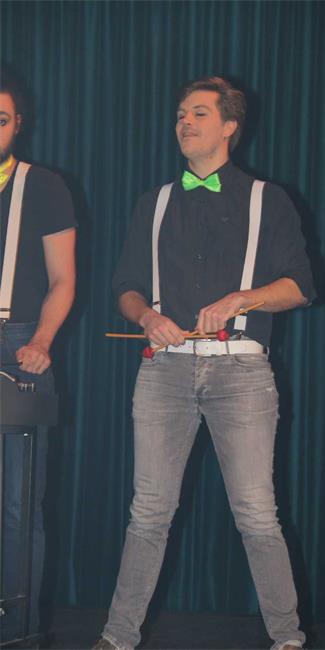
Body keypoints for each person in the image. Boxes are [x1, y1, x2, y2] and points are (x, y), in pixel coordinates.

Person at [95, 76, 315, 650]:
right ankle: (116, 638)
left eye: (197, 113)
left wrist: (243, 299)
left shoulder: (268, 199)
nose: (184, 122)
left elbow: (300, 286)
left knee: (256, 515)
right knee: (148, 513)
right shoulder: (153, 202)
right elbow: (125, 288)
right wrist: (147, 316)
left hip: (241, 372)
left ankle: (287, 638)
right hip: (164, 370)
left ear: (229, 126)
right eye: (180, 114)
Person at [0, 68, 76, 643]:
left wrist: (42, 342)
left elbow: (63, 279)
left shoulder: (43, 186)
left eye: (0, 120)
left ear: (18, 124)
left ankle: (17, 632)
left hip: (17, 342)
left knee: (19, 503)